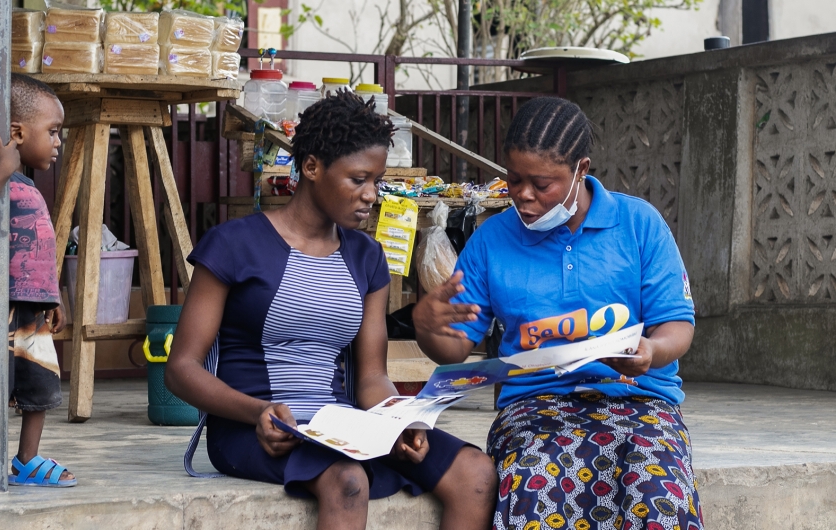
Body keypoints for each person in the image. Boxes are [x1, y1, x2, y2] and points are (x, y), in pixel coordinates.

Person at [165, 91, 496, 530]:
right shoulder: (233, 245)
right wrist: (255, 412)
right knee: (347, 480)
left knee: (476, 473)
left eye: (376, 181)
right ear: (312, 167)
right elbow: (181, 368)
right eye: (358, 179)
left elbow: (371, 377)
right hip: (253, 429)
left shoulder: (367, 257)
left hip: (341, 429)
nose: (371, 196)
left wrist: (398, 422)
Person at [413, 96, 703, 529]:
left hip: (641, 401)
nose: (524, 195)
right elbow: (454, 350)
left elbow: (677, 324)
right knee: (537, 482)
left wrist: (652, 352)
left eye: (542, 184)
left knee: (656, 490)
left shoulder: (639, 224)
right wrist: (425, 325)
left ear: (581, 170)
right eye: (513, 180)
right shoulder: (492, 241)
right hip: (534, 407)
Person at [0, 74, 76, 490]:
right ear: (17, 133)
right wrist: (2, 171)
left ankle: (26, 459)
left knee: (38, 384)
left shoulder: (27, 185)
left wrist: (52, 295)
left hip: (32, 308)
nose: (58, 142)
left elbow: (37, 250)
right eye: (53, 132)